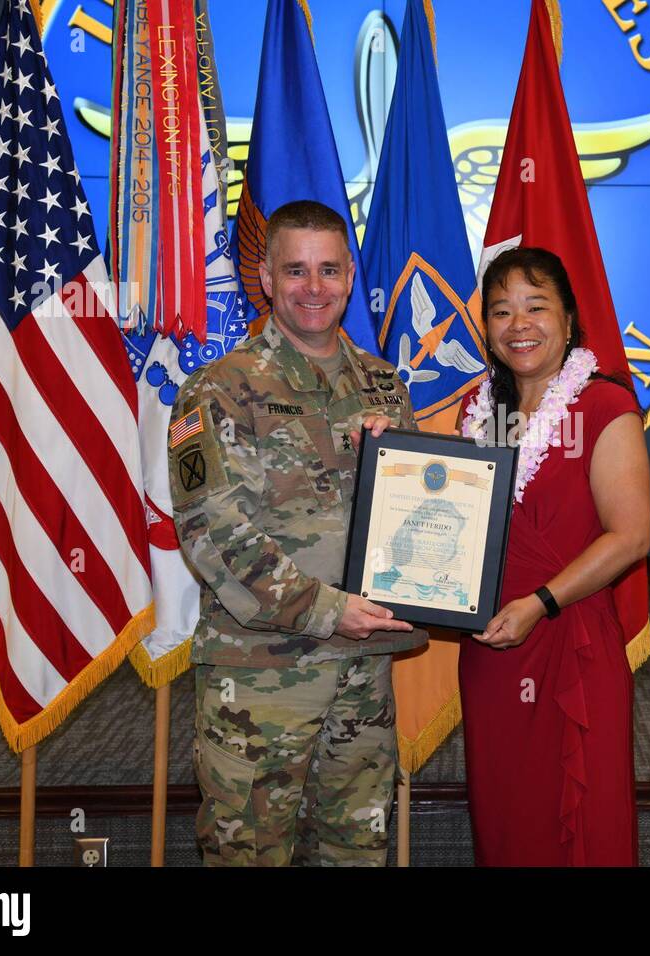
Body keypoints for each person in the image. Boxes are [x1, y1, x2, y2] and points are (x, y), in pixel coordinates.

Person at [168, 199, 428, 866]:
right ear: (265, 277)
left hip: (362, 681)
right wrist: (330, 608)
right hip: (260, 687)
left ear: (348, 276)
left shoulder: (384, 387)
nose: (314, 288)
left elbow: (411, 519)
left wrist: (397, 463)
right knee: (251, 855)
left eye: (329, 270)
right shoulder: (217, 390)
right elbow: (212, 533)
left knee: (358, 852)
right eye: (296, 271)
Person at [457, 246, 650, 866]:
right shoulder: (476, 412)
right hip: (490, 643)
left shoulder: (604, 406)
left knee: (581, 814)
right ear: (485, 328)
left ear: (569, 318)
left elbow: (631, 536)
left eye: (536, 307)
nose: (519, 325)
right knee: (507, 809)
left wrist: (540, 604)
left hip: (569, 638)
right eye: (501, 311)